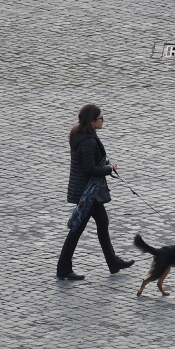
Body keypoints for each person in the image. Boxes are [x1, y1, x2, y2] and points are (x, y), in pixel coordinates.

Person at [56, 104, 135, 280]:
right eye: (100, 118)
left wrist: (106, 165)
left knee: (102, 223)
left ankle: (113, 262)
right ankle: (63, 269)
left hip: (87, 191)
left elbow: (89, 163)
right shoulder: (88, 141)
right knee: (77, 229)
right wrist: (107, 168)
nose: (103, 120)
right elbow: (89, 169)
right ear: (92, 122)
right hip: (88, 193)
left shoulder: (79, 134)